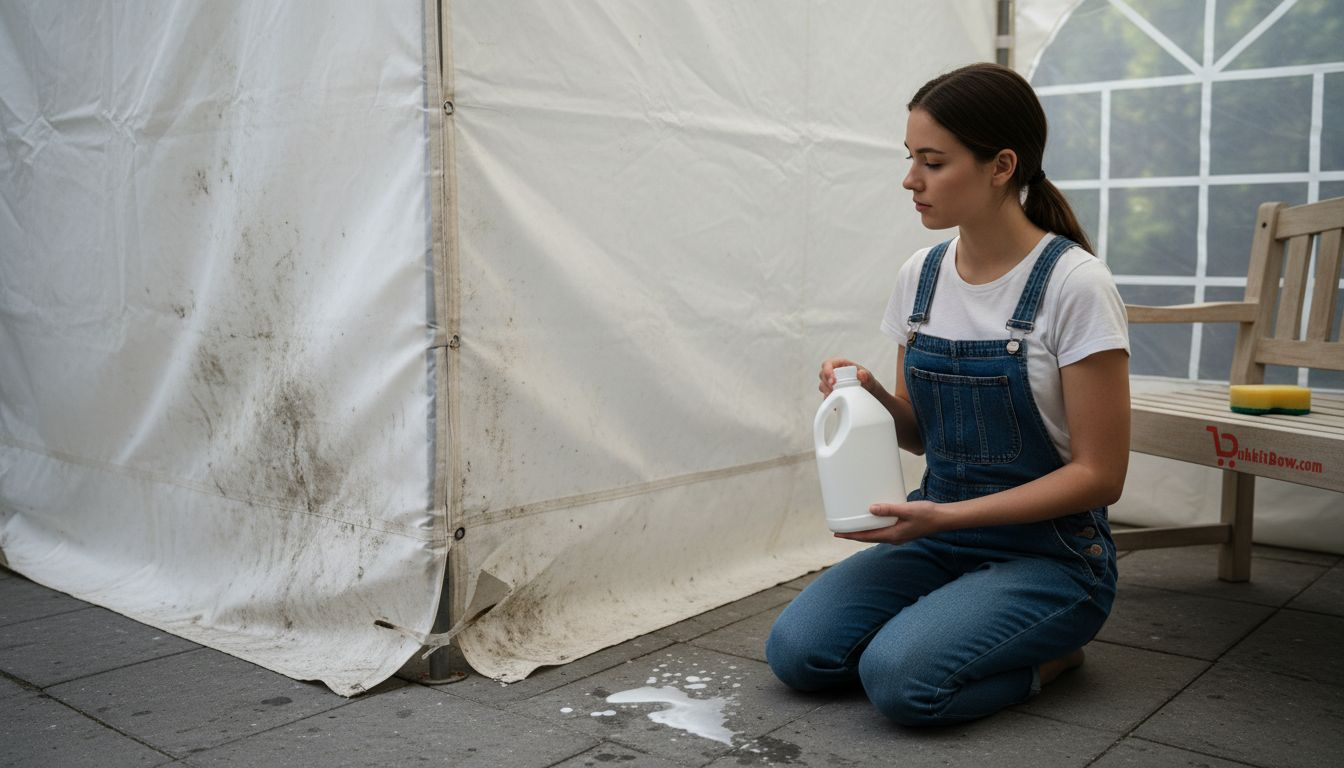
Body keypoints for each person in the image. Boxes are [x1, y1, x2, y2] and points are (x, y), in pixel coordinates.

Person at [766, 62, 1130, 727]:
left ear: (1001, 167)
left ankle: (1055, 654)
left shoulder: (1076, 285)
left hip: (1049, 555)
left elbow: (1100, 477)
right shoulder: (922, 276)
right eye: (910, 158)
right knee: (797, 653)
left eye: (932, 162)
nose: (911, 179)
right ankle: (957, 624)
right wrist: (869, 392)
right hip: (939, 539)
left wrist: (945, 518)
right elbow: (920, 434)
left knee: (900, 682)